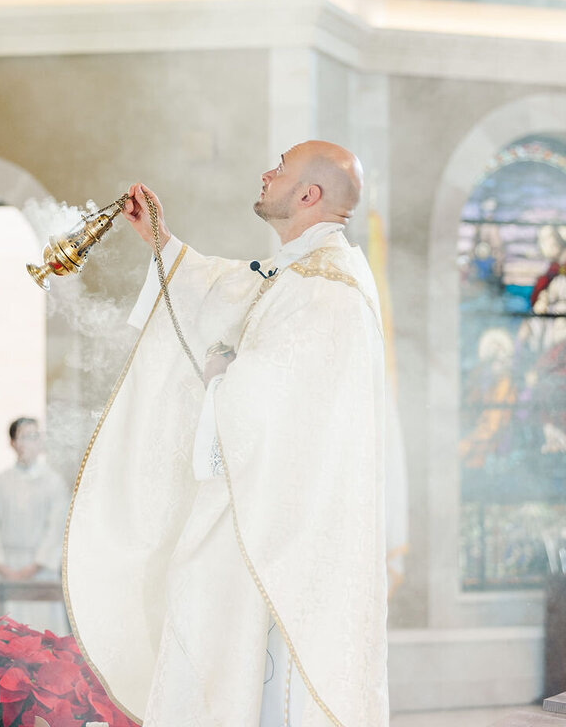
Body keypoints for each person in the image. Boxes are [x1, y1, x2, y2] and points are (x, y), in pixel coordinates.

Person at [65, 141, 388, 727]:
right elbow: (230, 290)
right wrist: (162, 243)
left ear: (309, 194)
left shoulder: (331, 289)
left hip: (276, 534)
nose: (266, 174)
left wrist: (221, 377)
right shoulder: (301, 271)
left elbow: (281, 403)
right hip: (246, 514)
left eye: (280, 168)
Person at [0, 417, 69, 633]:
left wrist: (34, 567)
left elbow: (56, 529)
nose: (29, 443)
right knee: (9, 634)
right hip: (7, 569)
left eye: (34, 436)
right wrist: (3, 567)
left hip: (41, 573)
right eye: (23, 437)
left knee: (43, 633)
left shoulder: (54, 484)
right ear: (13, 443)